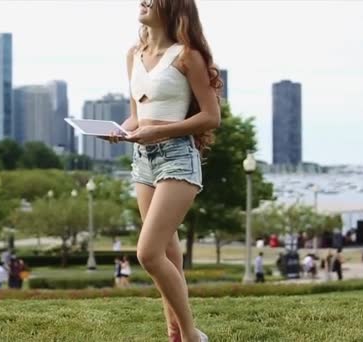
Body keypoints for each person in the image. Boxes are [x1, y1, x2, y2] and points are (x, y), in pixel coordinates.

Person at [108, 1, 221, 340]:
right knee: (169, 255)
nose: (142, 2)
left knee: (148, 253)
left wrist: (156, 131)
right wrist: (119, 130)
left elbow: (211, 116)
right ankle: (173, 333)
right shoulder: (133, 54)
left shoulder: (187, 56)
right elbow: (137, 114)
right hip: (143, 159)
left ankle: (191, 335)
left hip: (177, 157)